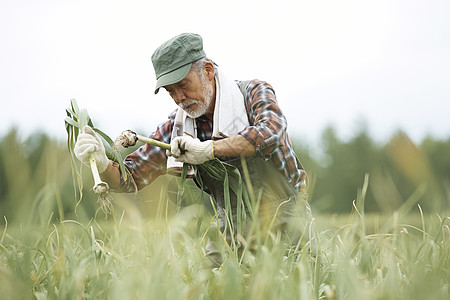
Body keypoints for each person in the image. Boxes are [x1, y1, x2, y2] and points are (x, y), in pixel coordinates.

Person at [74, 33, 313, 266]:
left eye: (183, 85)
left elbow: (271, 132)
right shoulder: (177, 128)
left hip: (288, 221)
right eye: (170, 91)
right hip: (232, 229)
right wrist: (101, 162)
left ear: (208, 71)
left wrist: (209, 149)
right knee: (207, 286)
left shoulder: (253, 93)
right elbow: (129, 178)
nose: (179, 98)